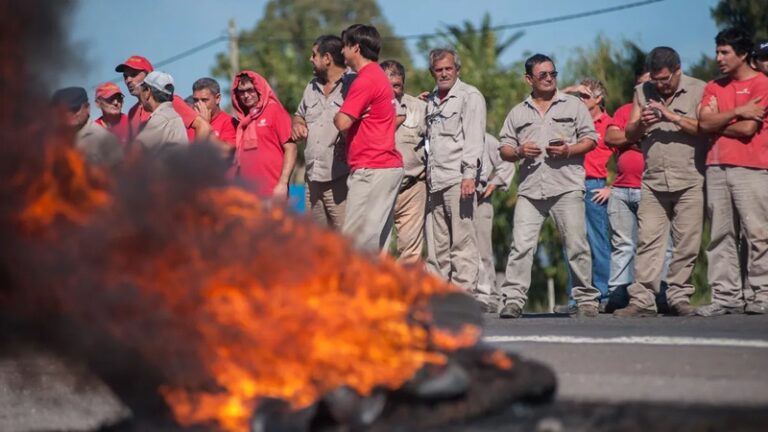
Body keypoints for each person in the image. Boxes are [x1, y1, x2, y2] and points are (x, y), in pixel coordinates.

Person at [497, 53, 600, 319]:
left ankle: (586, 300)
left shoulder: (574, 106)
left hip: (566, 186)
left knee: (577, 245)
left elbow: (590, 139)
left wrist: (568, 150)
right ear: (528, 79)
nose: (549, 79)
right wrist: (519, 151)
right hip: (531, 190)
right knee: (521, 247)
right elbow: (504, 149)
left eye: (553, 73)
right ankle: (513, 301)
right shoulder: (518, 112)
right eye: (542, 75)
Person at [613, 47, 707, 318]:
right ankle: (642, 300)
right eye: (655, 80)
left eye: (665, 79)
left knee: (686, 243)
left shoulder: (699, 89)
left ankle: (678, 297)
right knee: (648, 241)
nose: (660, 85)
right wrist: (641, 123)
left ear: (678, 70)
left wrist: (672, 117)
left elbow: (705, 127)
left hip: (690, 178)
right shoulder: (643, 92)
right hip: (653, 180)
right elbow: (628, 132)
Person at [697, 28, 768, 316]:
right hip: (715, 167)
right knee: (720, 234)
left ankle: (761, 293)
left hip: (752, 167)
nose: (718, 58)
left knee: (757, 232)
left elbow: (749, 128)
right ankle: (726, 297)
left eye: (725, 52)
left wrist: (716, 121)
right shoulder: (714, 86)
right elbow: (703, 123)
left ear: (742, 55)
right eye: (717, 51)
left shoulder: (762, 84)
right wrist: (736, 113)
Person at [604, 70, 673, 313]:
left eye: (651, 83)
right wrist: (635, 137)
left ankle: (662, 292)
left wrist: (631, 136)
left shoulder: (667, 110)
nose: (646, 88)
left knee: (659, 244)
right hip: (622, 189)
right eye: (641, 84)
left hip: (651, 188)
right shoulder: (625, 111)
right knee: (623, 244)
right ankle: (618, 292)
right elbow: (610, 136)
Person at [423, 47, 486, 302]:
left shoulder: (470, 96)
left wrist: (469, 176)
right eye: (439, 70)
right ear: (432, 72)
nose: (444, 73)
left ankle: (463, 294)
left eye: (449, 68)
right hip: (435, 180)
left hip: (458, 180)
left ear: (457, 69)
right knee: (437, 246)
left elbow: (473, 138)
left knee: (462, 242)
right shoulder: (430, 101)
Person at [333, 24, 404, 252]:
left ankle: (352, 288)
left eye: (344, 46)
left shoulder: (365, 80)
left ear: (356, 47)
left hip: (372, 168)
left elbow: (342, 122)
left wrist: (343, 115)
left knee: (355, 244)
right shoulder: (378, 77)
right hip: (384, 167)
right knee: (375, 246)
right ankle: (373, 288)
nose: (342, 52)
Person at [554, 78, 613, 313]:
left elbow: (630, 157)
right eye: (578, 97)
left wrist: (613, 187)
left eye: (585, 97)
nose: (580, 101)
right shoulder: (572, 121)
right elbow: (548, 97)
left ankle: (602, 294)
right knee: (573, 244)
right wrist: (570, 90)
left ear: (599, 99)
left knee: (598, 243)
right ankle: (577, 298)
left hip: (594, 187)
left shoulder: (609, 124)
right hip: (570, 184)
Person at [293, 35, 351, 229]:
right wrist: (298, 124)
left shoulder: (353, 84)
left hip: (341, 179)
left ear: (327, 58)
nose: (310, 59)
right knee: (318, 243)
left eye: (314, 55)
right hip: (312, 179)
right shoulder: (311, 87)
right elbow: (299, 115)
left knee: (347, 242)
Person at [381, 59, 427, 263]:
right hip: (379, 188)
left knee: (410, 252)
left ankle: (406, 294)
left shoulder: (419, 108)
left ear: (404, 84)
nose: (392, 91)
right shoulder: (367, 108)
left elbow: (436, 143)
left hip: (412, 189)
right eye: (387, 85)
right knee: (376, 250)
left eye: (397, 85)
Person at [231, 70, 297, 199]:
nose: (246, 95)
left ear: (259, 89)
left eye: (250, 90)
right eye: (242, 92)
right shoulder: (242, 121)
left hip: (273, 193)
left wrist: (283, 183)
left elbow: (291, 148)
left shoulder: (274, 110)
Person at [114, 55, 212, 143]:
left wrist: (193, 160)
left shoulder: (170, 101)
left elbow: (203, 127)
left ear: (149, 76)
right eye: (125, 76)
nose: (128, 80)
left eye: (133, 74)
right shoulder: (132, 112)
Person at [474, 133, 515, 312]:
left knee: (483, 250)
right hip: (453, 199)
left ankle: (490, 294)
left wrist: (493, 184)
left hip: (480, 200)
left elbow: (507, 162)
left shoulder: (486, 139)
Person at [52, 86, 123, 166]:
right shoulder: (53, 140)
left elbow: (120, 174)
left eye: (74, 109)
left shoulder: (104, 138)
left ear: (87, 108)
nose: (69, 114)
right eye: (65, 111)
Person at [132, 71, 188, 155]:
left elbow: (136, 151)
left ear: (147, 92)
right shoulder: (171, 115)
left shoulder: (162, 117)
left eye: (142, 90)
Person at [192, 77, 237, 147]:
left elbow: (226, 153)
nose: (199, 104)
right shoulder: (190, 123)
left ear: (217, 98)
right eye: (195, 100)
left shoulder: (230, 123)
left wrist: (205, 126)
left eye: (204, 100)